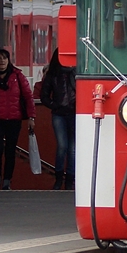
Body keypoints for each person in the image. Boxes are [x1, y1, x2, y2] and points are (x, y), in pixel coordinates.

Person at [0, 48, 35, 190]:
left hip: (14, 119)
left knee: (10, 151)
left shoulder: (17, 76)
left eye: (4, 58)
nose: (2, 61)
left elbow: (28, 96)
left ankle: (7, 180)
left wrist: (32, 117)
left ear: (9, 60)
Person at [39, 48, 76, 190]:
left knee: (72, 148)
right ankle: (60, 177)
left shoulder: (76, 73)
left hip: (73, 113)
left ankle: (68, 180)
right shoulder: (52, 75)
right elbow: (44, 96)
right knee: (63, 146)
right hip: (59, 114)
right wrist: (55, 105)